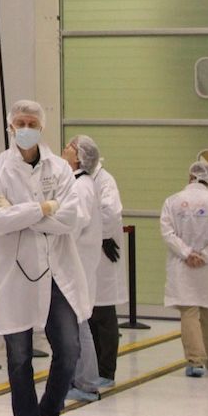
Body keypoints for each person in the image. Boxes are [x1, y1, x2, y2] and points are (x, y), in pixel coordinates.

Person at [0, 100, 87, 416]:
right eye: (20, 122)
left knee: (69, 351)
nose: (25, 128)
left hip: (57, 274)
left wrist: (23, 214)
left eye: (32, 122)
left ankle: (49, 413)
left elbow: (72, 218)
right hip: (15, 278)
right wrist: (44, 208)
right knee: (19, 359)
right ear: (11, 127)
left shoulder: (59, 169)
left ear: (42, 127)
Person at [161, 160, 208, 378]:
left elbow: (167, 232)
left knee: (189, 312)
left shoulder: (172, 201)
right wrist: (205, 255)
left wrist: (187, 253)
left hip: (183, 268)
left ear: (190, 176)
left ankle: (195, 361)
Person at [59, 137, 104, 402]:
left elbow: (74, 224)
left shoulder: (81, 187)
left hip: (76, 263)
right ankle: (78, 378)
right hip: (76, 261)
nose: (64, 149)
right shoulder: (78, 184)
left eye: (70, 147)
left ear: (79, 158)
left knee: (79, 321)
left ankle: (86, 383)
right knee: (75, 322)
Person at [84, 137, 127, 389]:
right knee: (89, 314)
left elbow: (110, 212)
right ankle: (92, 368)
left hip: (102, 254)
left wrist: (100, 237)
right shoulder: (80, 179)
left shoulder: (104, 180)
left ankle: (106, 370)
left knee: (103, 313)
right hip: (87, 254)